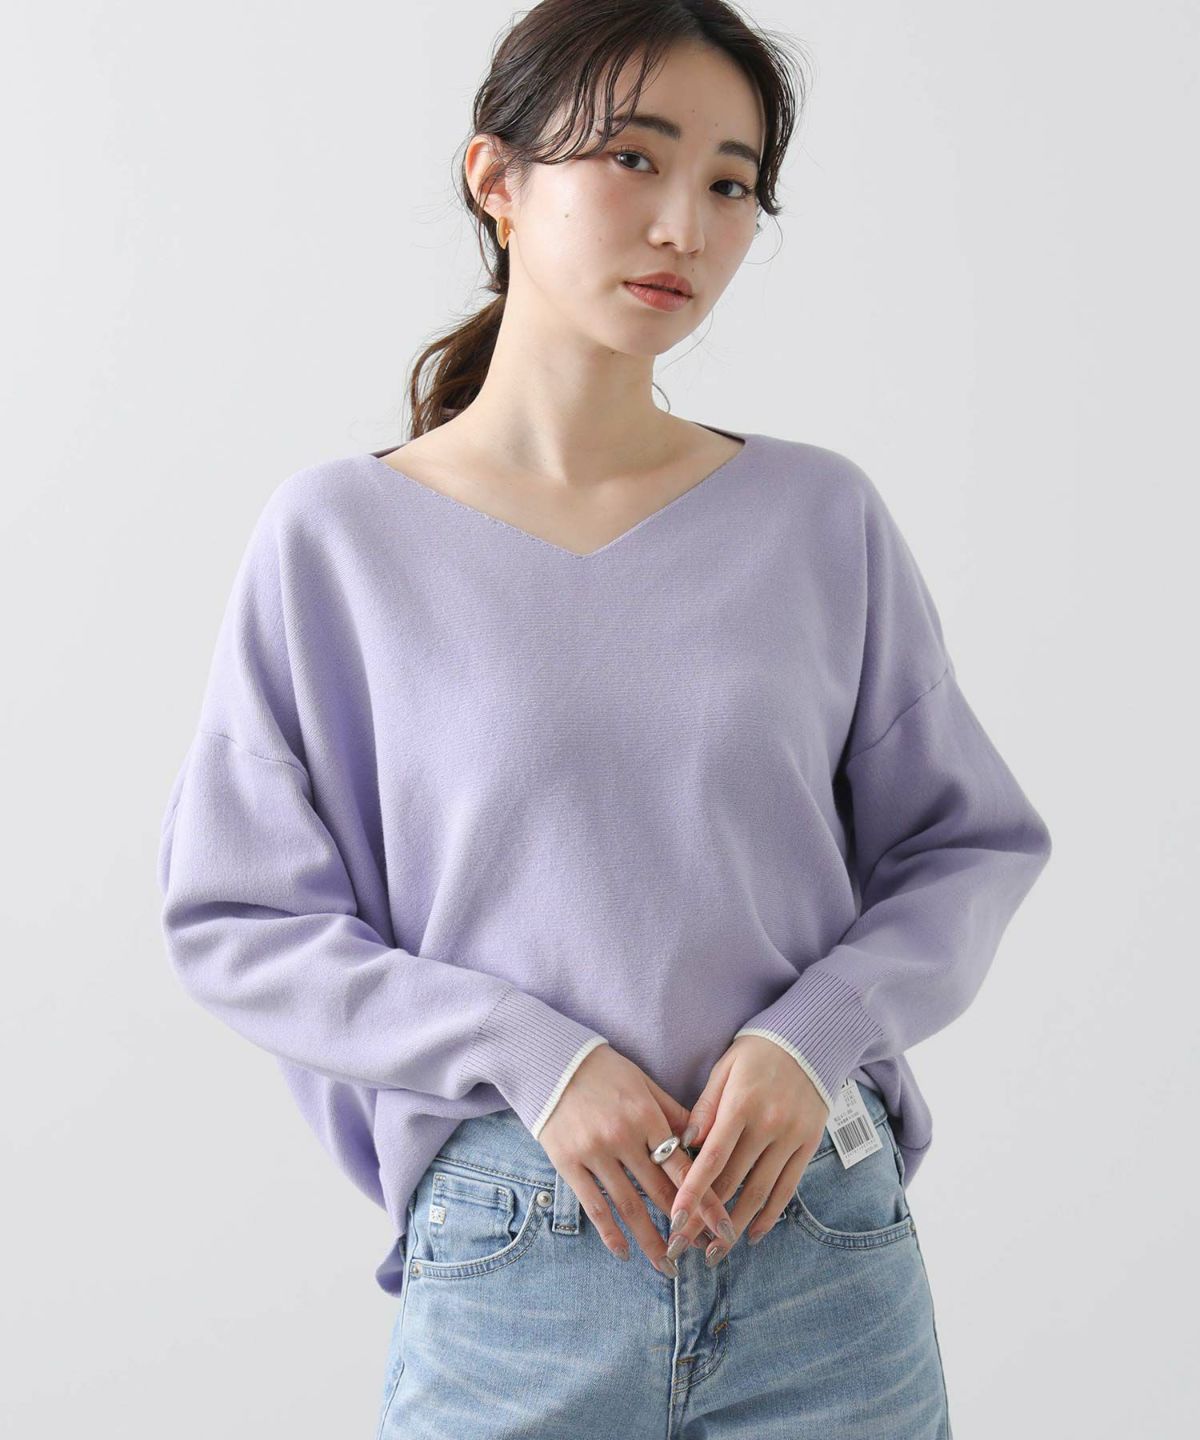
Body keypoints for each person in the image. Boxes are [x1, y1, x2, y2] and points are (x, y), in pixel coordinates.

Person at [156, 4, 1051, 1437]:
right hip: (514, 1263)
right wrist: (525, 1049)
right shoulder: (339, 540)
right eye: (633, 158)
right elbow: (237, 916)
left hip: (822, 1249)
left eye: (731, 183)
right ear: (495, 179)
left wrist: (816, 1033)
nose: (684, 226)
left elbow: (967, 848)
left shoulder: (818, 519)